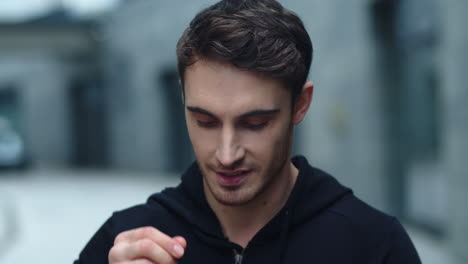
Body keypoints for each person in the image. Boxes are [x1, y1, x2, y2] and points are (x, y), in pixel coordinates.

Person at [74, 0, 421, 263]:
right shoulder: (127, 242)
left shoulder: (373, 246)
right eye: (205, 121)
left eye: (254, 124)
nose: (227, 154)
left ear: (300, 105)